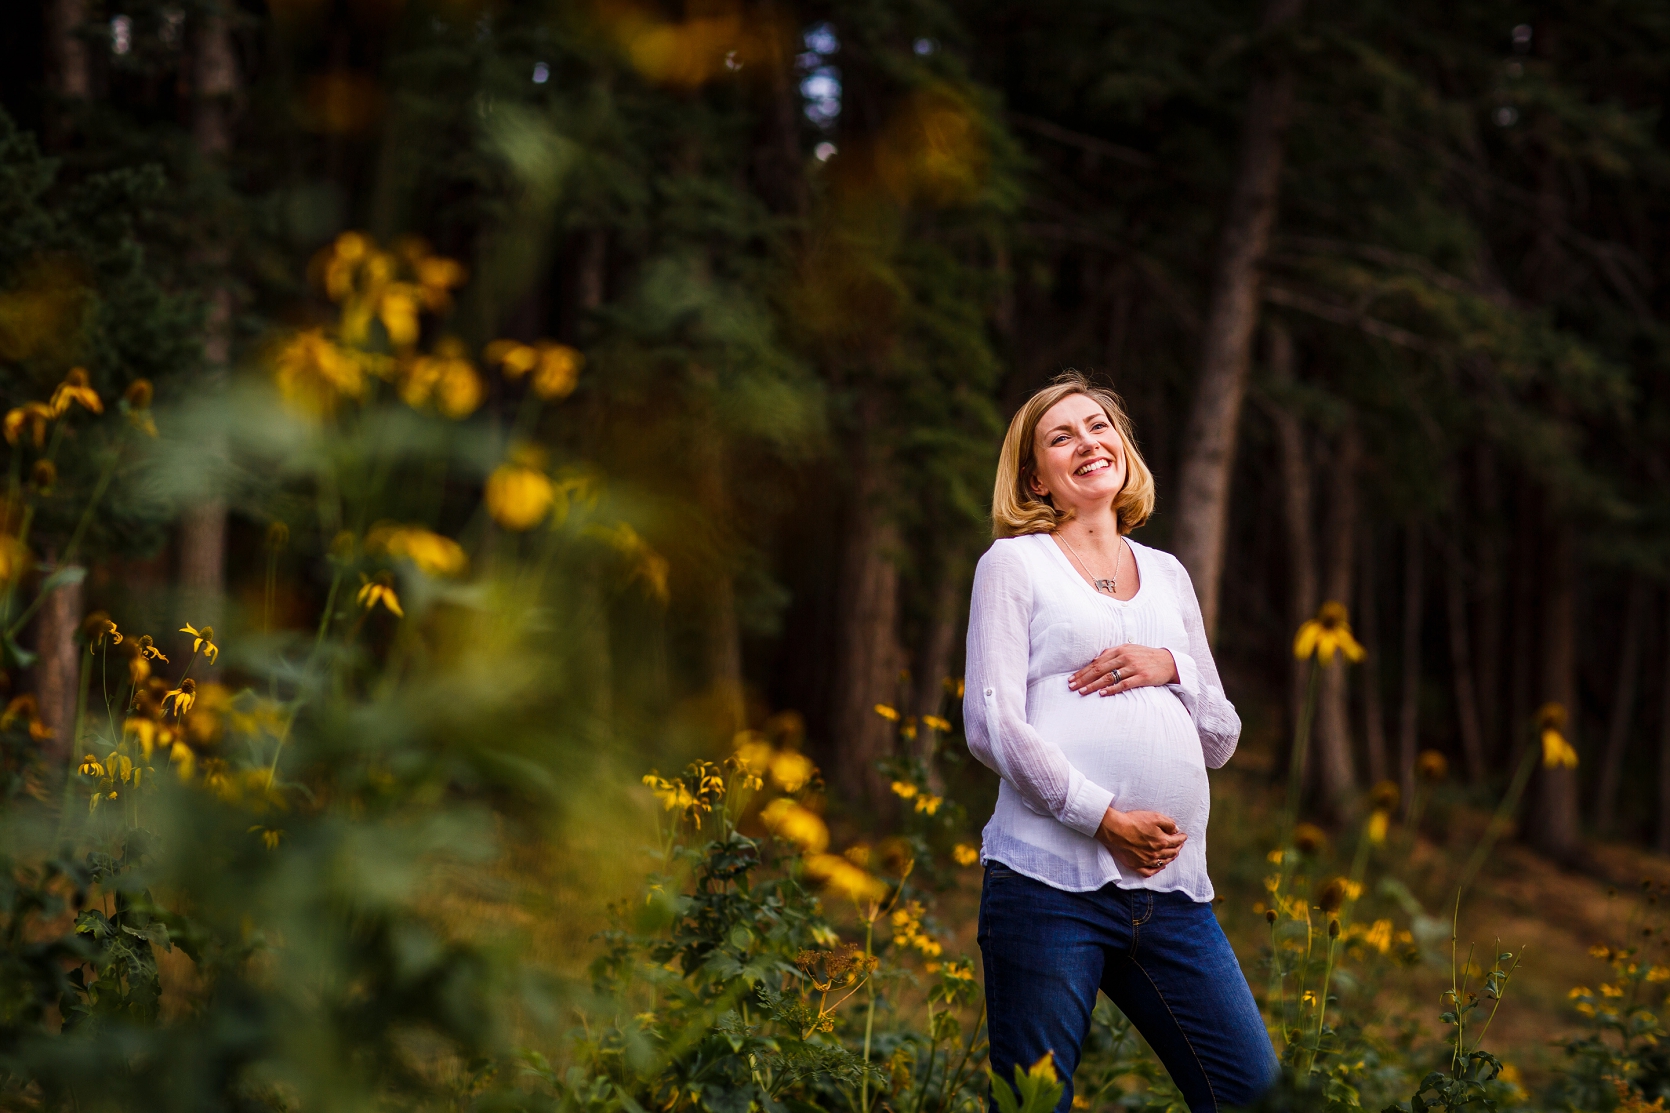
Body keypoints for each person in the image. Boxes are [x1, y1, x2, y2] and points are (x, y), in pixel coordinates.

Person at [964, 373, 1277, 1113]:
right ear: (1037, 478)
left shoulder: (1167, 574)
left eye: (1099, 425)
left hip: (1170, 896)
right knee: (1034, 1105)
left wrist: (1172, 666)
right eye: (1061, 435)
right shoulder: (1013, 563)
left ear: (1124, 450)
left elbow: (1221, 738)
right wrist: (1105, 818)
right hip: (1048, 885)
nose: (1088, 442)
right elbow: (992, 721)